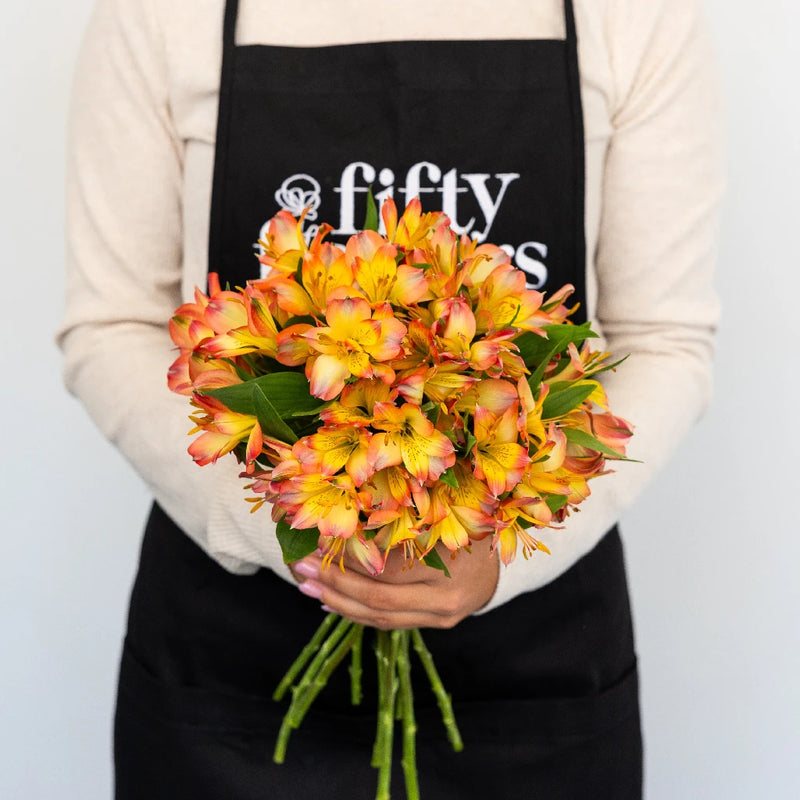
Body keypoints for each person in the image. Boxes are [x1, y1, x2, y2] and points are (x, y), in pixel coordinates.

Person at [59, 0, 723, 797]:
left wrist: (493, 557)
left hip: (534, 672)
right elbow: (112, 323)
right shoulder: (160, 14)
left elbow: (663, 343)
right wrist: (303, 524)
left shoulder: (636, 16)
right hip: (231, 667)